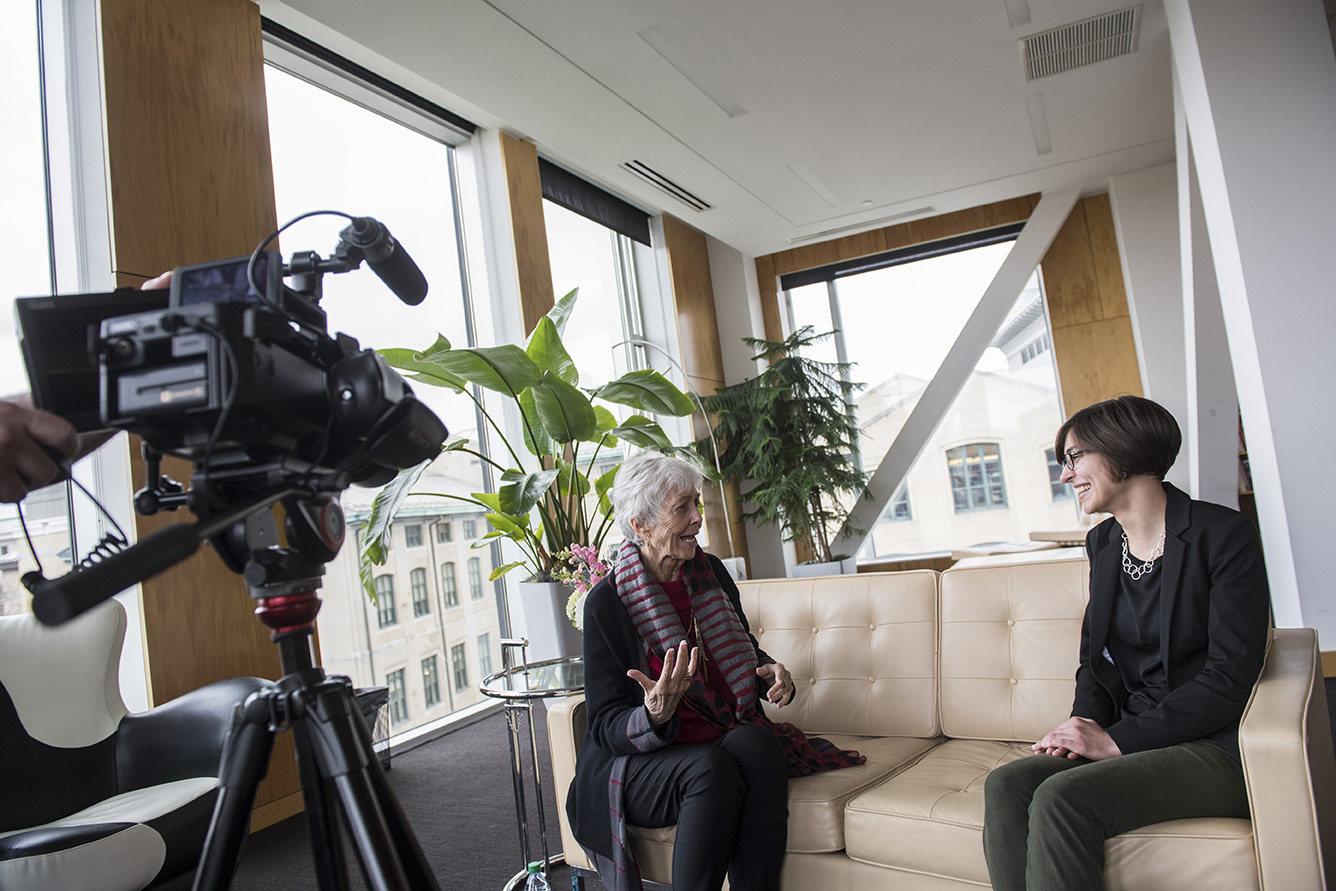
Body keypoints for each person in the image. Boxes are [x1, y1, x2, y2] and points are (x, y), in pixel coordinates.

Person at [982, 395, 1271, 891]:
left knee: (1062, 797)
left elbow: (1229, 679)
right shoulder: (1102, 543)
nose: (1066, 475)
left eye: (1074, 458)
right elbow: (1097, 663)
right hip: (1133, 729)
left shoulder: (1223, 535)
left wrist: (1117, 741)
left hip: (1212, 744)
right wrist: (1081, 728)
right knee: (1007, 783)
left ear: (1122, 448)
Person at [566, 451, 865, 891]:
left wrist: (767, 671)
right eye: (682, 508)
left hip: (718, 732)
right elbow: (606, 726)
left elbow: (740, 648)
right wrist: (653, 713)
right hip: (635, 764)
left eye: (697, 505)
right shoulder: (607, 604)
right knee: (712, 768)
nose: (697, 519)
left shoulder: (712, 573)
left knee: (758, 741)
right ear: (640, 525)